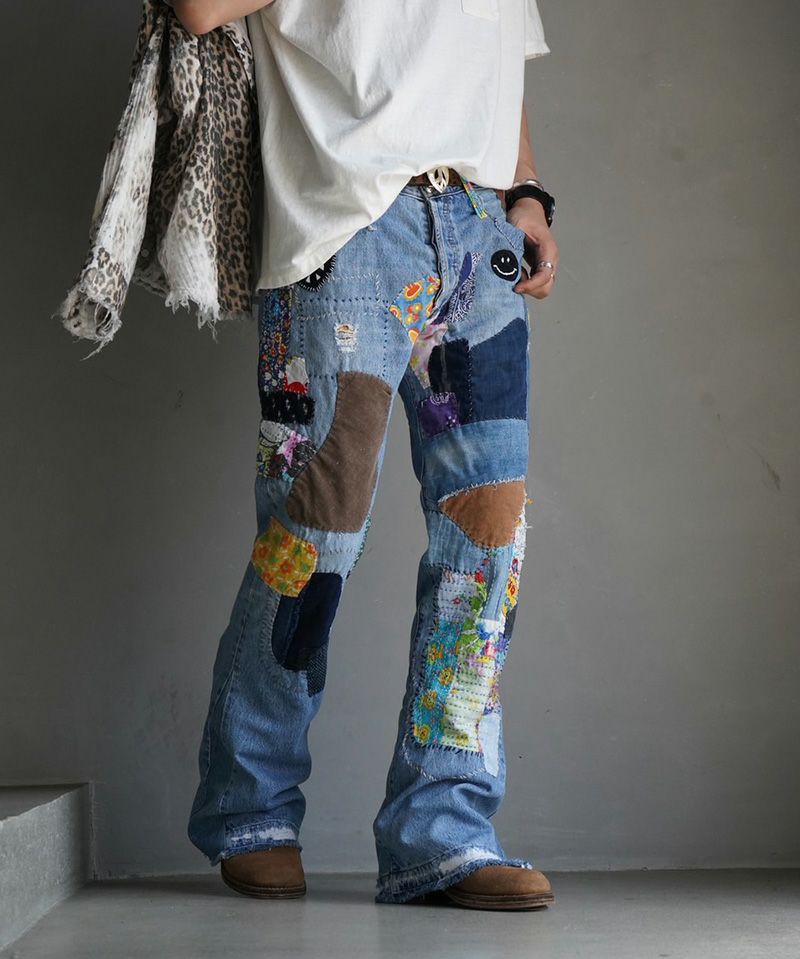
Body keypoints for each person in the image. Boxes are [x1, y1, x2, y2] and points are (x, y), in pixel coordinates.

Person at [172, 0, 560, 910]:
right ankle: (251, 808)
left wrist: (528, 195)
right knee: (314, 537)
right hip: (346, 225)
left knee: (488, 542)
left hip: (479, 231)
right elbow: (197, 9)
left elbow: (498, 55)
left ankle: (444, 830)